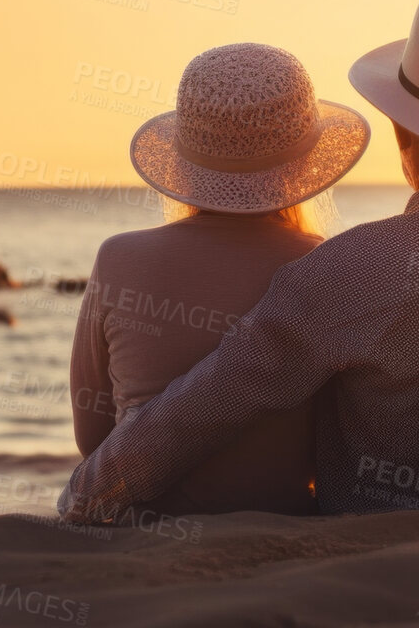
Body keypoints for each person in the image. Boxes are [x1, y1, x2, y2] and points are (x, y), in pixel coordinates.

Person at [62, 0, 419, 523]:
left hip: (394, 566)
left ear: (401, 134)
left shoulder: (350, 270)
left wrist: (82, 499)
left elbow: (195, 415)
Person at [69, 42, 369, 515]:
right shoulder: (331, 270)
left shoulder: (120, 259)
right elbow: (338, 449)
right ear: (305, 165)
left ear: (185, 159)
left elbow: (93, 439)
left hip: (144, 532)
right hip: (279, 525)